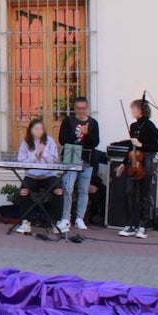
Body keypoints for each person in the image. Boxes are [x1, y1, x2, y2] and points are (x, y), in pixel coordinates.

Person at [116, 99, 158, 239]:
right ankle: (129, 224)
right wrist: (123, 164)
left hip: (145, 163)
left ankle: (142, 226)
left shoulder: (150, 126)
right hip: (133, 162)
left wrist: (141, 144)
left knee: (144, 195)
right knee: (129, 193)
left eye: (133, 108)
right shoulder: (133, 126)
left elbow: (156, 147)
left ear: (141, 110)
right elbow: (131, 148)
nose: (132, 111)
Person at [57, 96, 101, 233]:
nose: (81, 111)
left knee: (83, 190)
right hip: (71, 157)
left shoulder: (93, 123)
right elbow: (62, 140)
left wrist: (87, 134)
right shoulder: (68, 121)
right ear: (74, 108)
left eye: (84, 108)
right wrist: (77, 135)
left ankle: (79, 218)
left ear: (87, 108)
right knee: (68, 188)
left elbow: (95, 143)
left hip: (87, 159)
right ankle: (65, 218)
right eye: (79, 108)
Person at [14, 118, 64, 235]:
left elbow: (54, 162)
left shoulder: (50, 141)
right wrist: (36, 154)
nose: (39, 131)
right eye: (36, 129)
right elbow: (22, 162)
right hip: (32, 176)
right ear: (31, 130)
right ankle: (26, 222)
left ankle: (56, 222)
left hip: (48, 175)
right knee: (23, 191)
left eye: (41, 129)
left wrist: (44, 152)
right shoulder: (26, 143)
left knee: (59, 191)